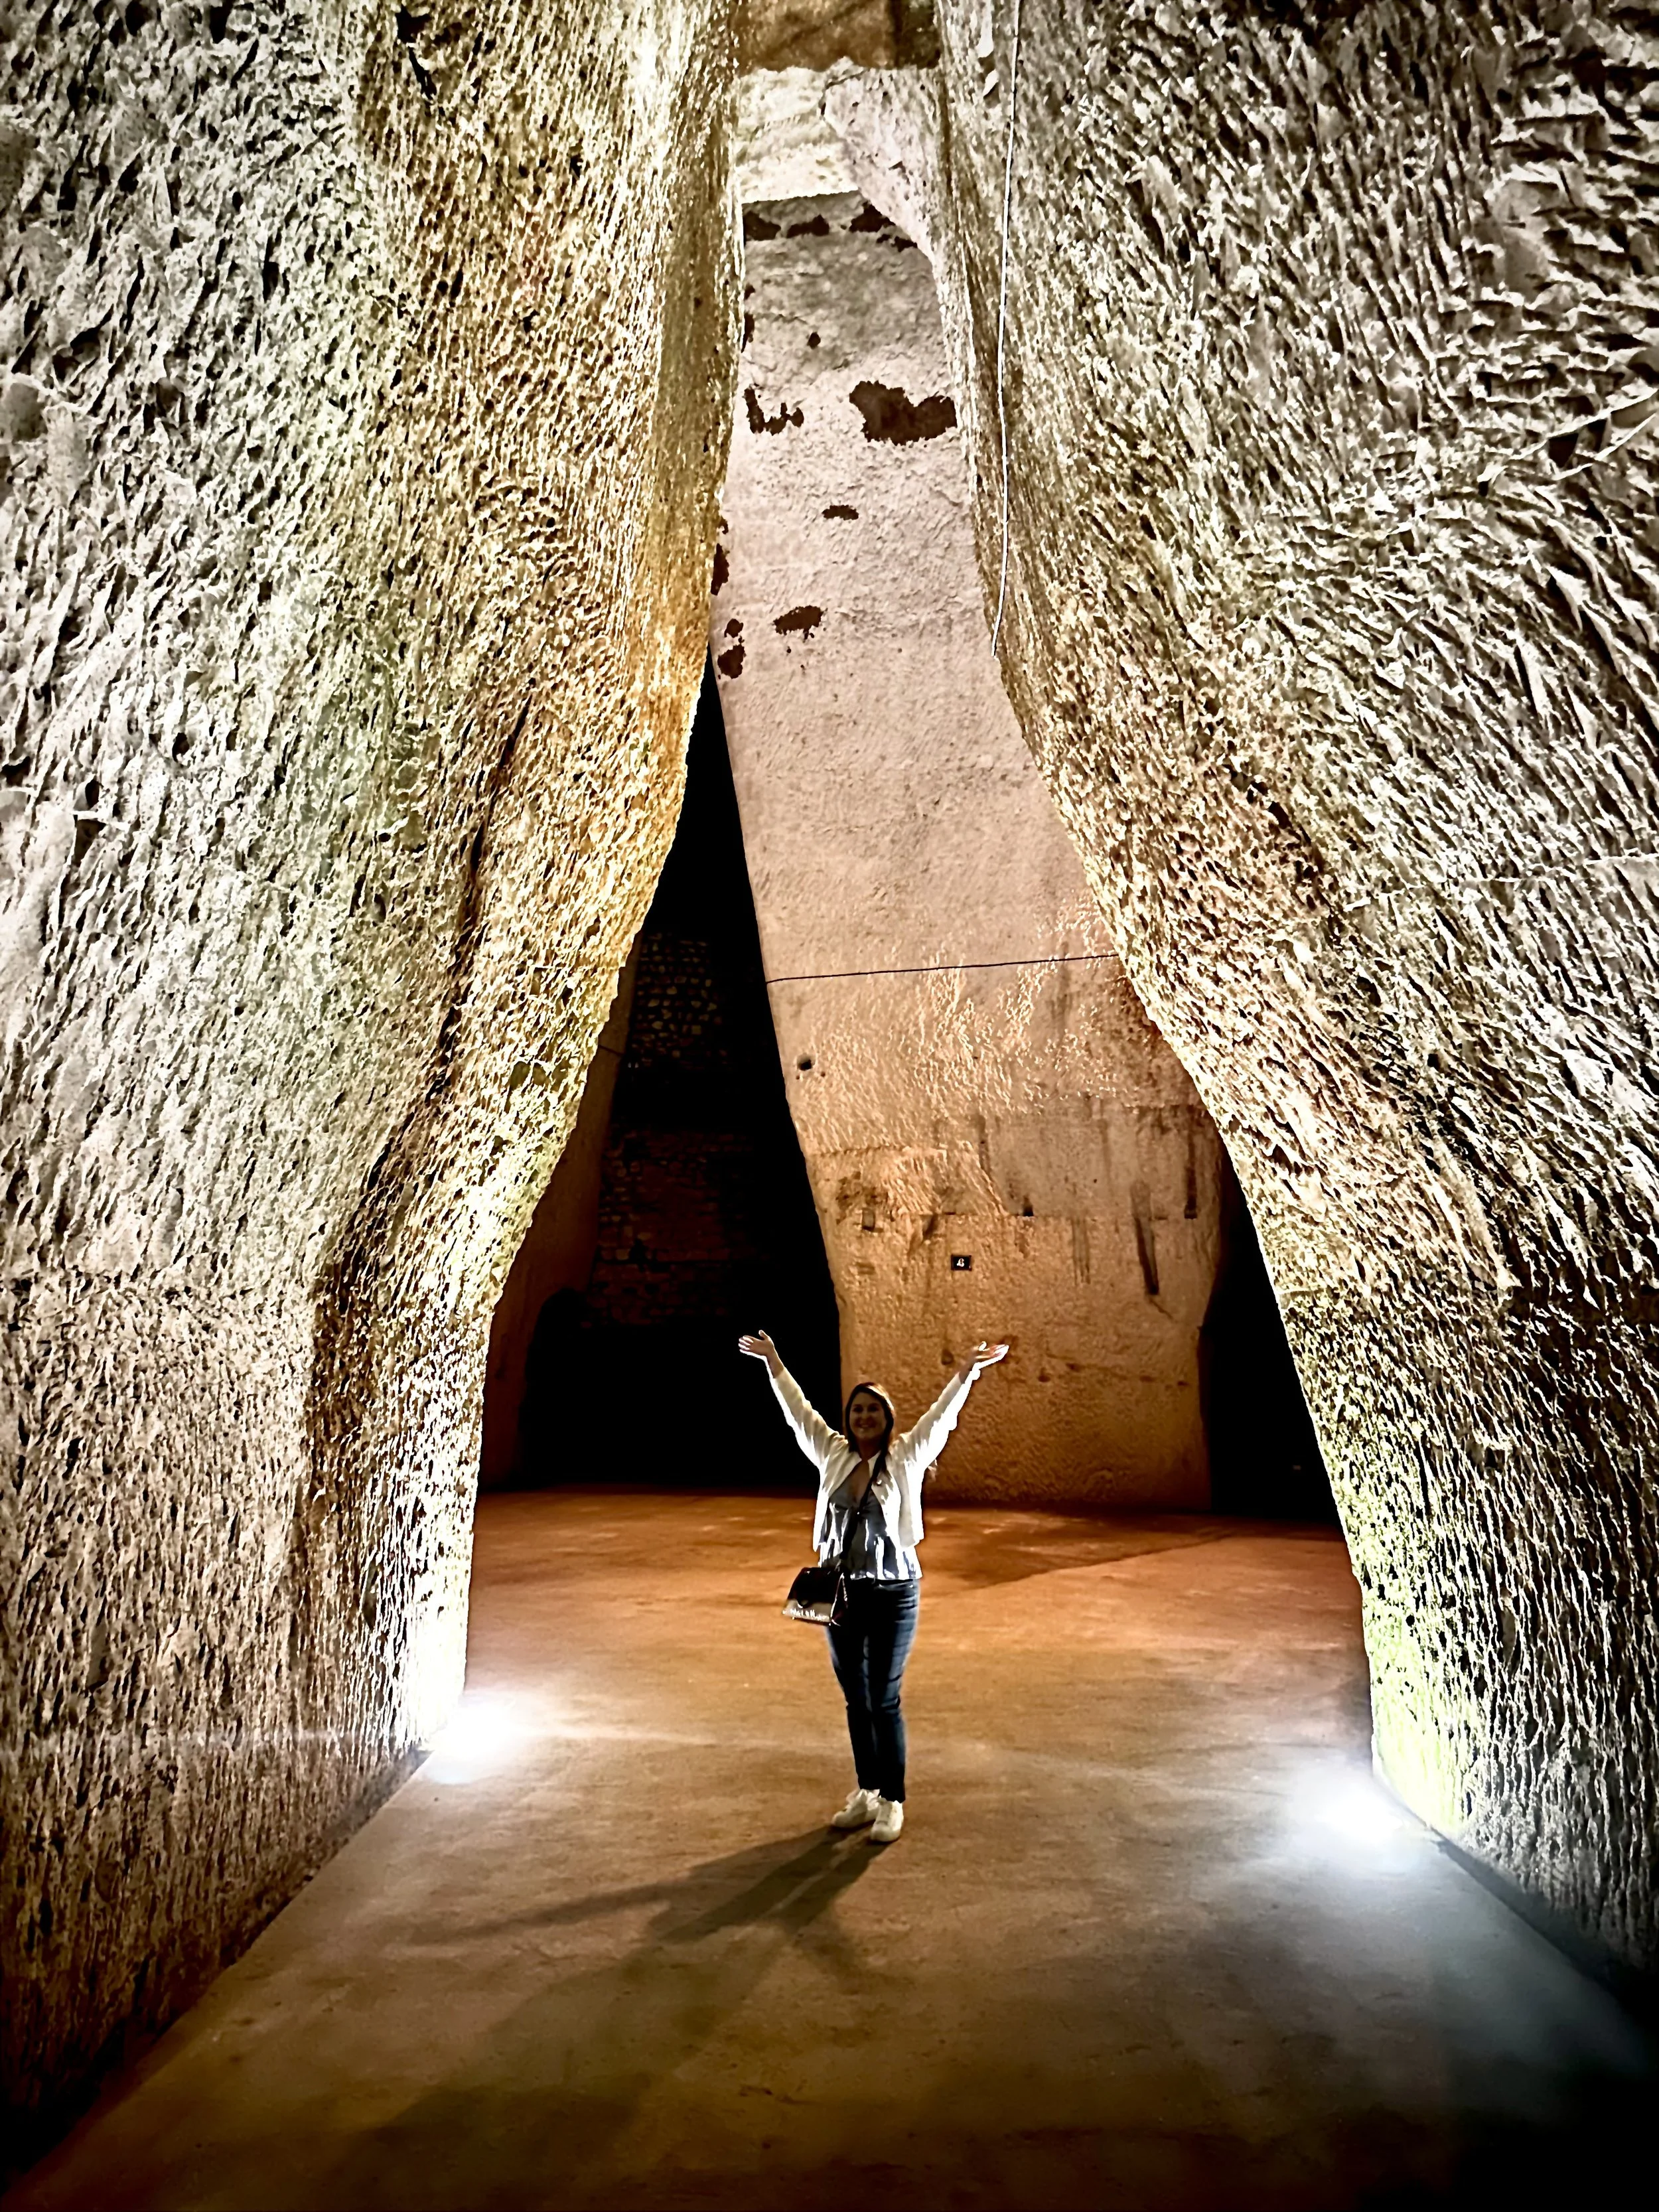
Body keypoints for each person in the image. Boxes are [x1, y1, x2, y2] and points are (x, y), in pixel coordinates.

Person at [737, 1329, 1009, 1844]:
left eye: (873, 1411)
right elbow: (799, 1412)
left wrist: (966, 1372)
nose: (864, 1417)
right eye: (857, 1410)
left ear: (886, 1418)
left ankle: (893, 1799)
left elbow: (942, 1416)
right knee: (854, 1698)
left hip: (894, 1592)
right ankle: (866, 1791)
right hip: (839, 1592)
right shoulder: (833, 1454)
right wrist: (774, 1361)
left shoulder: (906, 1456)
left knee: (884, 1698)